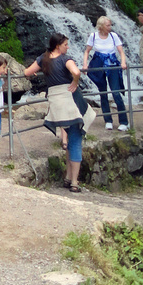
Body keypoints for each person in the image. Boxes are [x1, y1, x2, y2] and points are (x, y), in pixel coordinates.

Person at [24, 33, 95, 192]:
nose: (67, 47)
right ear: (58, 46)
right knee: (76, 140)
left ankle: (68, 178)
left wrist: (36, 71)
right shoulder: (65, 59)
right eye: (66, 45)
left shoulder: (43, 59)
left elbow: (27, 72)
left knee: (70, 138)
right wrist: (75, 82)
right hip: (71, 101)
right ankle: (75, 182)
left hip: (56, 104)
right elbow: (76, 72)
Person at [82, 16, 129, 132]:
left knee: (116, 93)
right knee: (103, 93)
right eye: (108, 25)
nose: (110, 27)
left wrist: (123, 62)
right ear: (101, 26)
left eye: (110, 25)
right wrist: (85, 65)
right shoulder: (93, 36)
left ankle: (124, 122)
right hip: (98, 65)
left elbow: (121, 51)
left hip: (112, 65)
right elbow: (87, 51)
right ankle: (108, 120)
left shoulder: (114, 36)